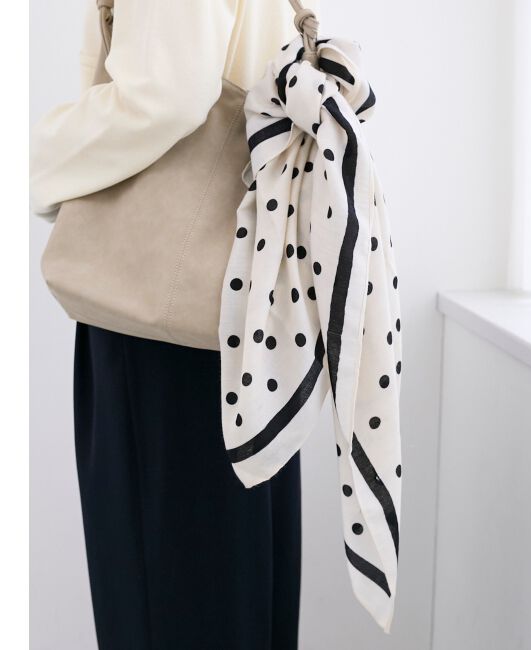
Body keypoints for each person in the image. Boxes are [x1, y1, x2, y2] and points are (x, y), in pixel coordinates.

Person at [30, 1, 318, 648]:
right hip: (246, 312)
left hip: (161, 322)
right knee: (240, 598)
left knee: (166, 606)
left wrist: (35, 163)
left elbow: (165, 93)